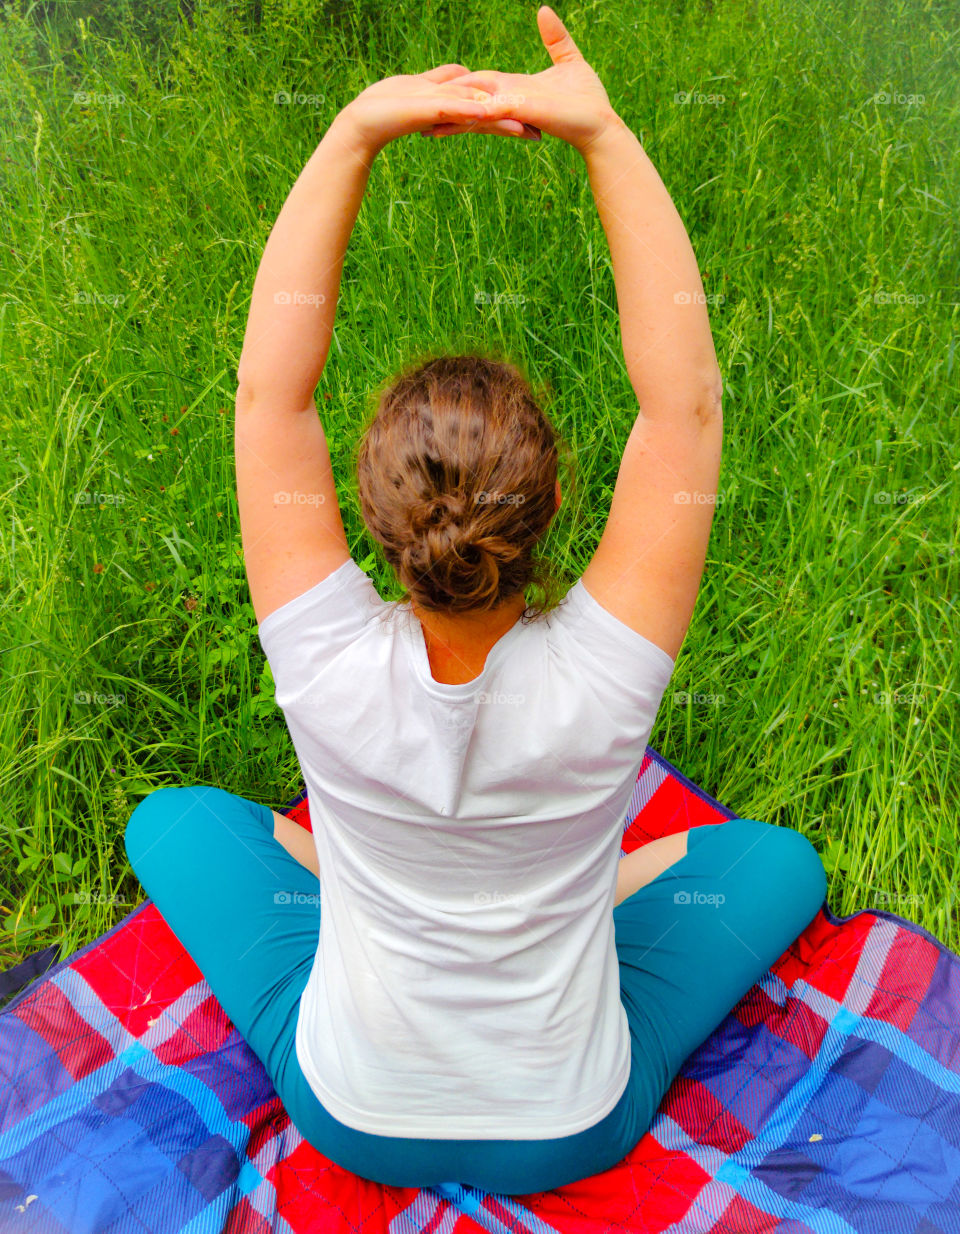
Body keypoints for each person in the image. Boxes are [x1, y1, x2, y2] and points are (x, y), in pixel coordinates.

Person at [124, 5, 826, 1194]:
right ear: (554, 507)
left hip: (352, 1111)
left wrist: (353, 131)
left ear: (377, 521)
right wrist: (603, 134)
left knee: (174, 823)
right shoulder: (606, 674)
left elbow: (267, 398)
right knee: (774, 863)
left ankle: (352, 866)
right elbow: (685, 409)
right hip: (574, 1127)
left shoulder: (323, 655)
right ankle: (586, 879)